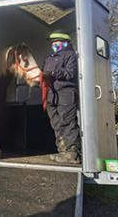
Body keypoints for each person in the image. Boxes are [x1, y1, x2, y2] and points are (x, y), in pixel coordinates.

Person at [42, 31, 80, 164]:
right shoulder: (49, 58)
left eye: (56, 42)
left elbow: (70, 73)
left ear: (64, 43)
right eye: (52, 43)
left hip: (66, 94)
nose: (53, 44)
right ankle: (63, 150)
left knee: (67, 122)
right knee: (56, 123)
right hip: (52, 95)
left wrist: (53, 73)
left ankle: (72, 153)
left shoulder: (70, 55)